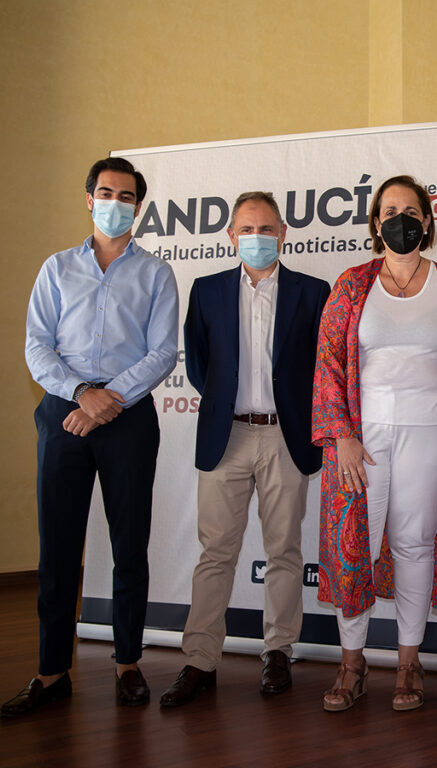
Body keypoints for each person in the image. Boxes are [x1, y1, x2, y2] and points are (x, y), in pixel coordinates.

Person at [5, 157, 179, 716]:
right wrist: (82, 394)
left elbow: (162, 353)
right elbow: (37, 346)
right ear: (88, 198)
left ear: (138, 206)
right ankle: (52, 672)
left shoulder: (155, 273)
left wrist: (109, 400)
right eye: (106, 192)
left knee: (130, 546)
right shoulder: (55, 268)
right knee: (57, 549)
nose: (115, 202)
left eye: (126, 196)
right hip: (64, 413)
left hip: (128, 418)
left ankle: (128, 664)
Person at [312, 175, 437, 712]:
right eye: (389, 210)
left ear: (427, 221)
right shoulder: (352, 283)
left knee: (415, 544)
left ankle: (409, 661)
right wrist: (340, 435)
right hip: (362, 442)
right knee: (353, 547)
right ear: (374, 222)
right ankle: (352, 661)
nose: (399, 218)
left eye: (410, 210)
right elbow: (328, 363)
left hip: (434, 438)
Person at [159, 192, 330, 707]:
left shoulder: (312, 291)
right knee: (216, 553)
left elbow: (321, 367)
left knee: (284, 550)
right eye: (246, 230)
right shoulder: (206, 290)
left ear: (283, 233)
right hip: (226, 436)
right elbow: (200, 365)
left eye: (267, 229)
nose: (257, 238)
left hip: (286, 436)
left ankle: (278, 651)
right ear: (230, 236)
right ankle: (199, 660)